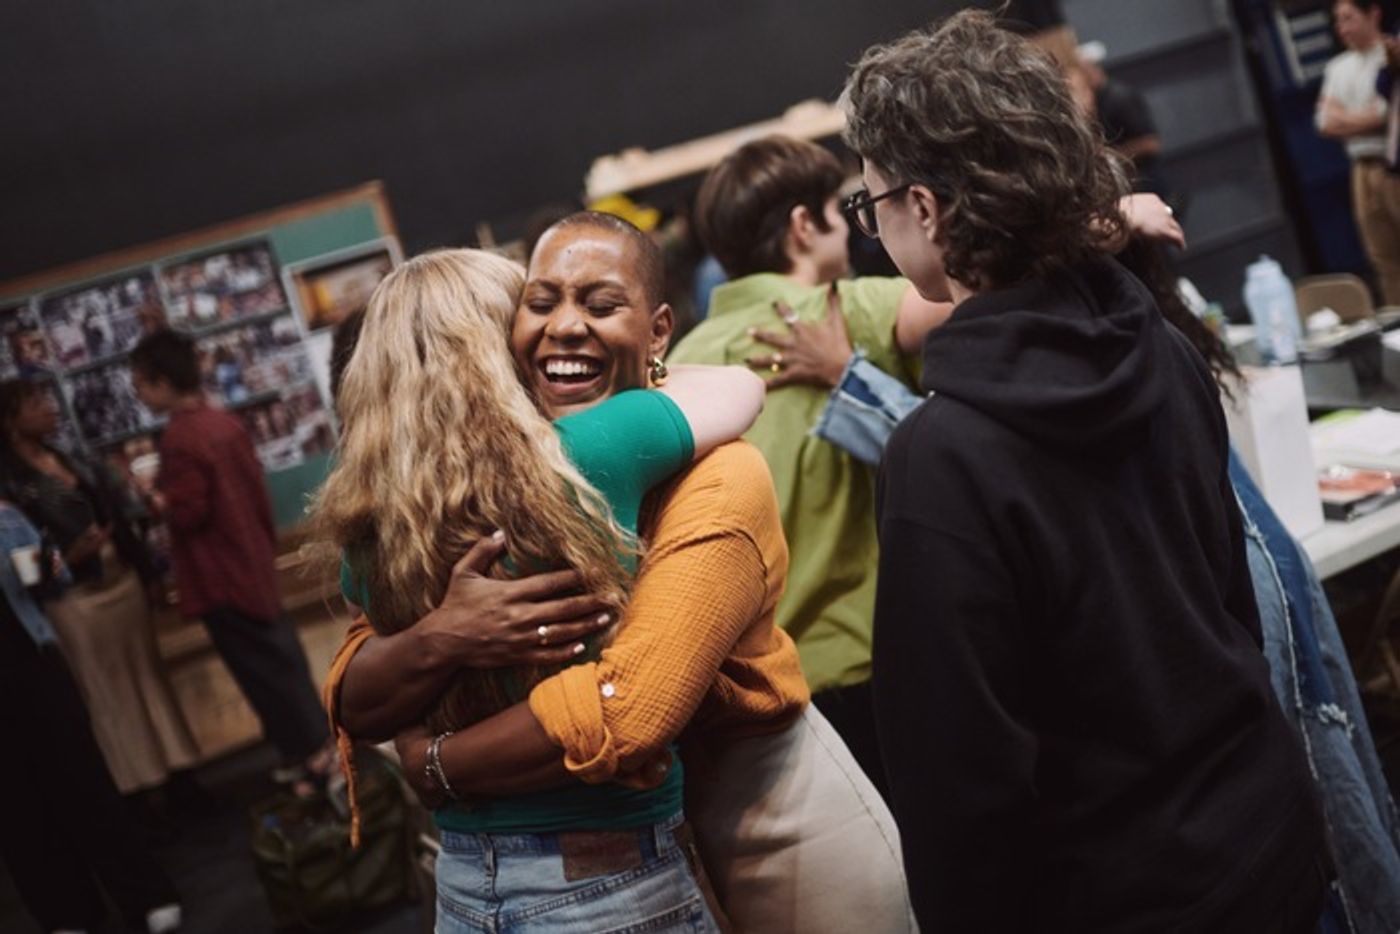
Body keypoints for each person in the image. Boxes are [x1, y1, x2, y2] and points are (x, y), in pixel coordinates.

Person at [841, 11, 1329, 931]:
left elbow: (960, 785)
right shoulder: (1159, 342)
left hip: (1123, 897)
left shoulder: (943, 457)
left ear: (927, 210)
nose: (872, 228)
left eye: (871, 206)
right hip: (1269, 836)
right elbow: (1230, 606)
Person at [323, 213, 915, 932]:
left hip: (768, 832)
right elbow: (735, 386)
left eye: (600, 305)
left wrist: (431, 761)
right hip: (611, 864)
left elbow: (625, 713)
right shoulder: (576, 460)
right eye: (538, 307)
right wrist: (443, 638)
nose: (561, 329)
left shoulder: (379, 520)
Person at [666, 135, 946, 793]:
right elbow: (987, 292)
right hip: (869, 662)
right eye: (839, 210)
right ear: (802, 226)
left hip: (756, 692)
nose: (852, 229)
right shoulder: (844, 311)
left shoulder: (682, 362)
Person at [127, 329, 334, 790]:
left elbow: (188, 512)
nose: (138, 394)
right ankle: (315, 754)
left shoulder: (180, 437)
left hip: (219, 577)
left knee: (262, 676)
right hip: (252, 563)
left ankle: (316, 762)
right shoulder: (223, 423)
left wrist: (152, 496)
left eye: (141, 384)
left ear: (162, 381)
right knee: (282, 664)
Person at [0, 377, 201, 809]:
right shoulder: (10, 483)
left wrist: (146, 571)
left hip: (120, 582)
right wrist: (67, 558)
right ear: (11, 421)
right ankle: (142, 792)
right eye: (34, 403)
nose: (49, 407)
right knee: (107, 697)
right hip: (74, 599)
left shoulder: (68, 458)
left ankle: (180, 777)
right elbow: (17, 564)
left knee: (150, 682)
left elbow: (116, 515)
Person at [0, 498, 182, 934]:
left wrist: (49, 566)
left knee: (83, 781)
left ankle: (147, 895)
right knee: (15, 806)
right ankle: (66, 914)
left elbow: (56, 578)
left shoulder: (5, 516)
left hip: (31, 661)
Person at [1318, 0, 1400, 305]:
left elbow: (1387, 113)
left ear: (1373, 14)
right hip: (1360, 169)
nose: (1342, 28)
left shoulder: (1391, 56)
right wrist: (1366, 118)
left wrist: (1346, 119)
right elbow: (1324, 122)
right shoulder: (1338, 67)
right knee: (1383, 258)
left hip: (1391, 163)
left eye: (1348, 18)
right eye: (1338, 21)